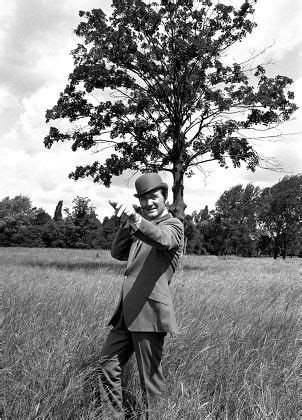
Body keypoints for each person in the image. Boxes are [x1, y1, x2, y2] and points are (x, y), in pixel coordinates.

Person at [99, 172, 184, 418]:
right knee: (107, 364)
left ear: (165, 197)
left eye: (153, 197)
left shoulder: (173, 226)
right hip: (126, 313)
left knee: (150, 381)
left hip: (149, 314)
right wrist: (128, 221)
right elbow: (117, 252)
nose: (149, 203)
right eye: (143, 199)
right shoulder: (139, 226)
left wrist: (136, 218)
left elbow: (161, 239)